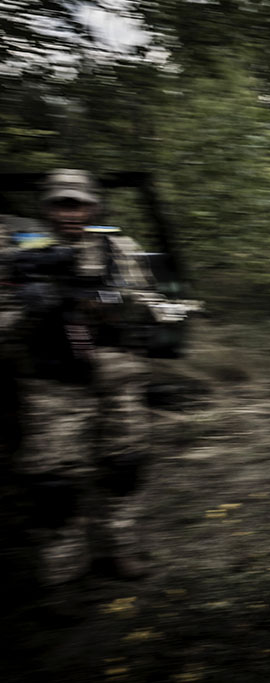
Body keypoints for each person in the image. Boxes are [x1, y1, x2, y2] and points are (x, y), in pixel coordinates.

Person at [1, 169, 161, 584]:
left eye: (79, 204)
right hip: (52, 380)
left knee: (125, 465)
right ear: (46, 207)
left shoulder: (118, 248)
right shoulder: (18, 247)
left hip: (117, 375)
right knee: (54, 483)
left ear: (94, 207)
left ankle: (119, 549)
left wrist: (112, 303)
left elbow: (150, 302)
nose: (70, 212)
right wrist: (27, 309)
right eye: (61, 203)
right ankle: (63, 569)